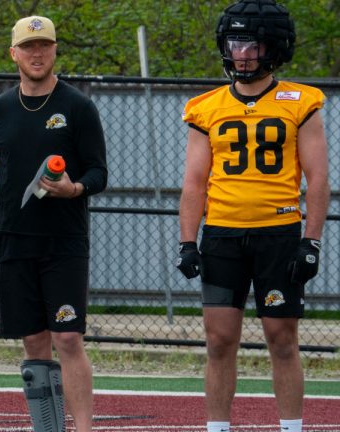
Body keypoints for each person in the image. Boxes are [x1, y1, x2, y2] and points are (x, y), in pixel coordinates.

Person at [176, 1, 330, 432]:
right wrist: (188, 241)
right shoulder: (205, 107)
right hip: (222, 235)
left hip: (278, 234)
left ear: (274, 47)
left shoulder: (302, 102)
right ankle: (217, 428)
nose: (240, 53)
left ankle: (291, 428)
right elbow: (193, 183)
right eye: (234, 42)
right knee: (219, 341)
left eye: (251, 43)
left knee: (282, 341)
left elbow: (318, 179)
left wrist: (311, 240)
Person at [0, 15, 107, 432]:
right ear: (14, 54)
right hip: (13, 239)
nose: (36, 54)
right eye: (28, 47)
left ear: (55, 49)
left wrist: (73, 188)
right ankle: (48, 427)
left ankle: (84, 428)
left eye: (44, 45)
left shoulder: (78, 106)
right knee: (35, 342)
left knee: (69, 339)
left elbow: (99, 173)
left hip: (64, 241)